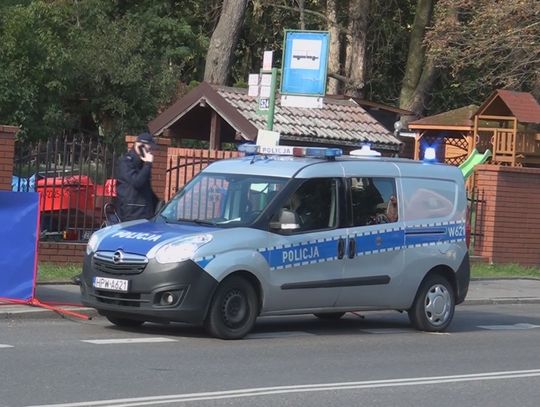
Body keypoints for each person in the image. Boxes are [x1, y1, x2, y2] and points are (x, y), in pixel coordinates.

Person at [115, 132, 159, 222]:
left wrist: (159, 204)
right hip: (132, 213)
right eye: (149, 148)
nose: (151, 152)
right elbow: (137, 182)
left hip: (144, 212)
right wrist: (148, 164)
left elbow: (146, 188)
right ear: (141, 146)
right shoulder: (126, 162)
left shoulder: (142, 162)